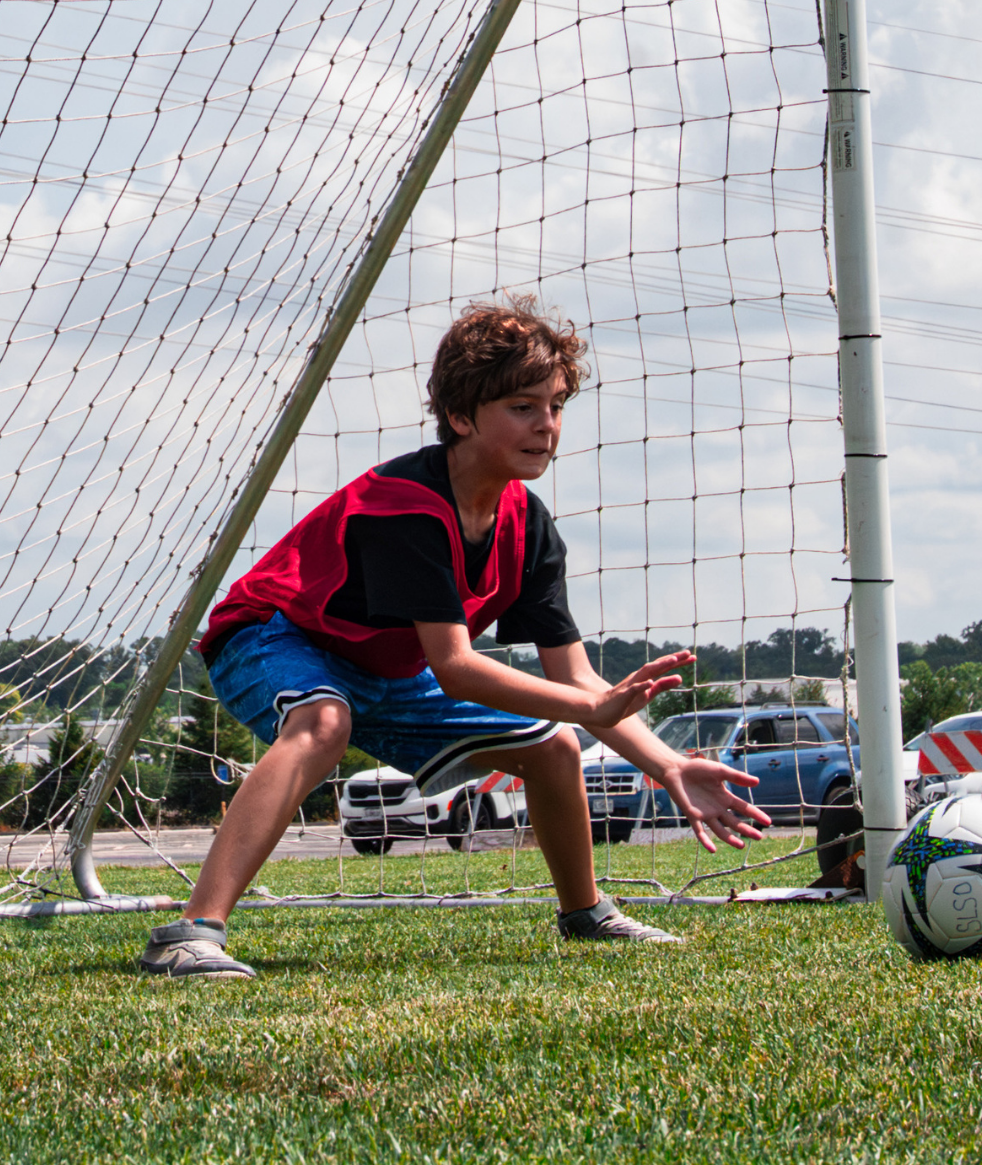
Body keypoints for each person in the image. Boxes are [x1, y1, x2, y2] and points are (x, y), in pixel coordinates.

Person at [139, 296, 769, 979]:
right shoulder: (405, 506)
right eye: (523, 407)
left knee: (555, 745)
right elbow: (459, 668)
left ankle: (587, 914)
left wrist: (666, 765)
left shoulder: (528, 527)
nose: (547, 426)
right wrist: (590, 709)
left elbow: (581, 683)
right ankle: (191, 933)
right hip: (271, 636)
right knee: (324, 720)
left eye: (555, 406)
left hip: (387, 670)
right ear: (462, 417)